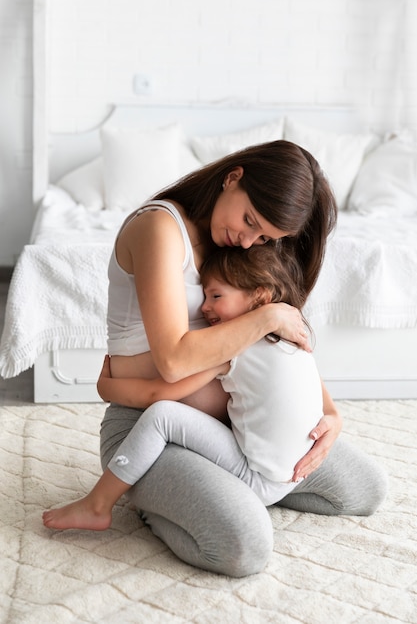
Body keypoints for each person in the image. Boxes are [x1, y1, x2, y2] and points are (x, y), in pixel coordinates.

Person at [43, 140, 388, 577]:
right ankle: (153, 499)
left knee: (365, 489)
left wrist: (330, 413)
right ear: (232, 177)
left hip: (240, 434)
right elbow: (173, 360)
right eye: (249, 220)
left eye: (263, 236)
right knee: (245, 546)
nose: (248, 240)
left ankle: (231, 490)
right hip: (149, 431)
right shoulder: (161, 230)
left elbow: (278, 346)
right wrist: (269, 315)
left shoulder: (237, 249)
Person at [43, 245, 326, 530]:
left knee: (163, 416)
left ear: (260, 295)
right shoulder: (292, 331)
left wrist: (105, 388)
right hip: (296, 473)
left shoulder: (232, 347)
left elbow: (158, 395)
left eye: (216, 295)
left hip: (259, 478)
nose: (204, 308)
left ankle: (98, 505)